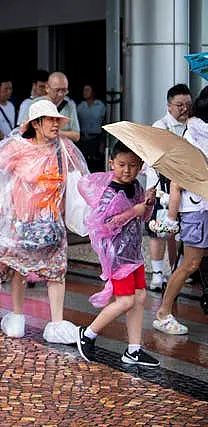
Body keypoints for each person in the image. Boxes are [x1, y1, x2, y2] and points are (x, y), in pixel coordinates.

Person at [0, 99, 89, 343]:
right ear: (36, 124)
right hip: (23, 221)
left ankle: (56, 323)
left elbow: (81, 179)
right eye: (51, 120)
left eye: (58, 120)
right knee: (19, 269)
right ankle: (16, 317)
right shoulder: (17, 148)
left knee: (56, 272)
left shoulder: (64, 149)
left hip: (53, 223)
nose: (56, 124)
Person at [76, 142, 159, 367]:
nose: (126, 170)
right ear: (111, 163)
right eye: (121, 164)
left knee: (140, 297)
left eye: (133, 165)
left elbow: (143, 217)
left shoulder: (138, 188)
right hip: (117, 256)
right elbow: (103, 224)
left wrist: (148, 203)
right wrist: (134, 210)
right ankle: (88, 334)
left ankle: (134, 349)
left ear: (140, 166)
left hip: (133, 254)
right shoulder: (109, 192)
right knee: (125, 301)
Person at [151, 86, 208, 335]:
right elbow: (180, 178)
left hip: (202, 207)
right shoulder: (193, 137)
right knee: (190, 263)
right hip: (196, 209)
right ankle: (163, 313)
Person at [146, 83, 192, 291]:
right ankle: (157, 273)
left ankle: (178, 270)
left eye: (188, 105)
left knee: (183, 230)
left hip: (187, 185)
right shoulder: (160, 126)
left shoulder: (194, 124)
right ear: (169, 106)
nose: (184, 109)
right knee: (158, 230)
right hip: (161, 185)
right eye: (179, 105)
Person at [18, 72, 80, 143]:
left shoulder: (69, 106)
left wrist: (56, 132)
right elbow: (22, 130)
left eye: (64, 90)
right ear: (47, 88)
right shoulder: (36, 103)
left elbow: (76, 136)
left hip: (64, 149)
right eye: (57, 90)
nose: (60, 94)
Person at [77, 84, 106, 172]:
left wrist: (102, 143)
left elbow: (104, 124)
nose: (84, 92)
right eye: (84, 90)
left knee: (96, 166)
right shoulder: (80, 106)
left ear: (93, 92)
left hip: (96, 140)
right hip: (83, 140)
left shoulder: (100, 106)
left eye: (87, 90)